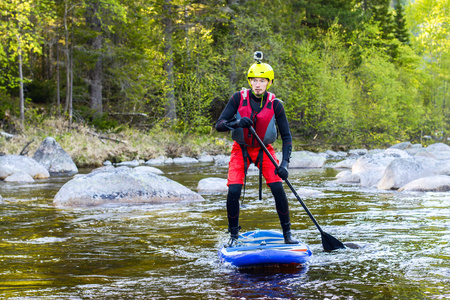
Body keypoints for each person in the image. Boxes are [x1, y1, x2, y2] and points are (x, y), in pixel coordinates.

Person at [215, 52, 298, 246]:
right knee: (234, 190)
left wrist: (285, 163)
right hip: (240, 149)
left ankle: (287, 234)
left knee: (278, 188)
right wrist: (236, 123)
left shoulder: (276, 105)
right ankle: (233, 237)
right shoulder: (238, 98)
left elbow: (286, 137)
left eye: (262, 80)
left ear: (269, 82)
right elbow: (219, 125)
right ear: (250, 81)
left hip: (264, 150)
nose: (257, 84)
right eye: (254, 80)